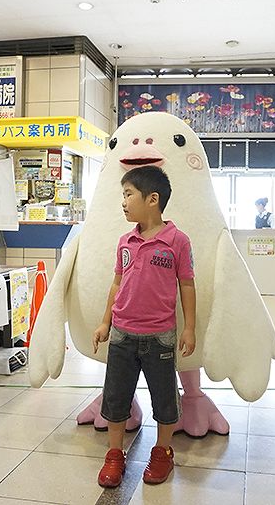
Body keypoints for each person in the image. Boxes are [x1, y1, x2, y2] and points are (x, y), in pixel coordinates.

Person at [92, 165, 196, 488]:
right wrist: (105, 322)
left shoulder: (178, 241)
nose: (123, 202)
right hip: (122, 334)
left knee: (164, 400)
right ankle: (114, 454)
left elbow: (187, 285)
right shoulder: (125, 242)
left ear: (153, 199)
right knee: (115, 398)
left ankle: (163, 451)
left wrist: (189, 328)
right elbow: (116, 283)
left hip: (160, 337)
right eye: (122, 195)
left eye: (128, 194)